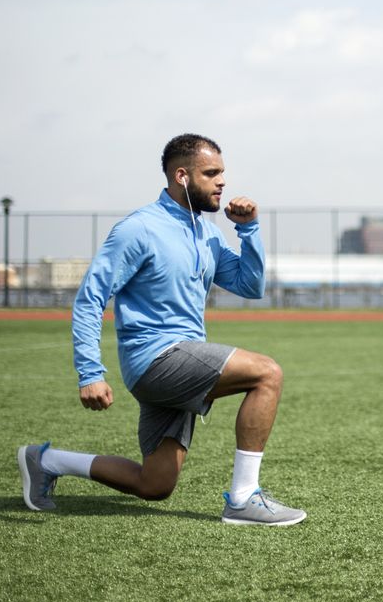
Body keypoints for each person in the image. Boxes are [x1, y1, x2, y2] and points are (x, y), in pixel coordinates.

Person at [17, 134, 305, 526]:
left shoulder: (207, 233)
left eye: (223, 173)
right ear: (182, 176)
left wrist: (249, 230)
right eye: (212, 173)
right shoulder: (138, 230)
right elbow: (90, 299)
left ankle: (46, 460)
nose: (222, 182)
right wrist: (90, 373)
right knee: (266, 373)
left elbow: (250, 286)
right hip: (155, 359)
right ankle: (243, 499)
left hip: (181, 358)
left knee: (155, 484)